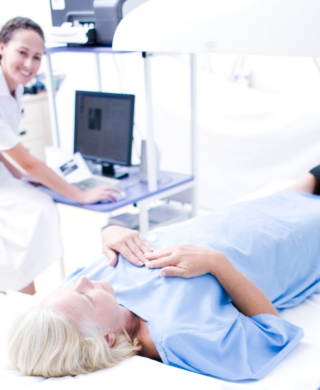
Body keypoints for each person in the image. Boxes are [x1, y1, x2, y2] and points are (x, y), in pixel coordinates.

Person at [7, 170, 320, 380]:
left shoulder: (70, 309)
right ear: (106, 338)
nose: (84, 281)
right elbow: (275, 333)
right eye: (85, 297)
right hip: (281, 242)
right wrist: (216, 263)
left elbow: (77, 293)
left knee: (307, 181)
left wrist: (110, 231)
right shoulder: (178, 336)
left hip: (239, 218)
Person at [0, 17, 120, 295]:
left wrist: (20, 175)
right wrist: (79, 194)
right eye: (22, 53)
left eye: (37, 57)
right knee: (35, 214)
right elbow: (27, 159)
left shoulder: (14, 86)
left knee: (37, 208)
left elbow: (6, 150)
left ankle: (21, 294)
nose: (29, 65)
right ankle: (21, 297)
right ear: (2, 47)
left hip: (5, 175)